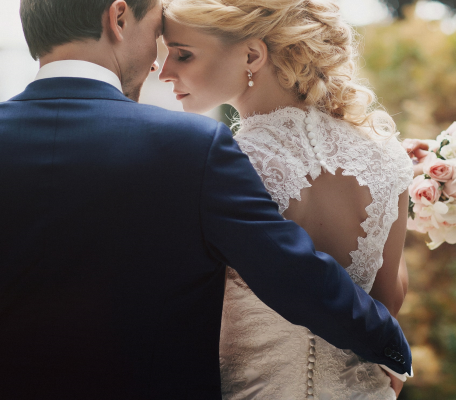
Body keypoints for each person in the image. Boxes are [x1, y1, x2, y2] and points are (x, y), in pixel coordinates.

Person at [0, 0, 412, 398]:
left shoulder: (213, 149)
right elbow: (295, 274)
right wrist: (393, 348)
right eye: (159, 38)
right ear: (119, 18)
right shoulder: (188, 148)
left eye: (179, 53)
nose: (159, 68)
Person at [159, 0, 414, 398]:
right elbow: (389, 299)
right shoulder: (389, 156)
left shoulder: (222, 167)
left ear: (252, 55)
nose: (164, 71)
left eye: (182, 54)